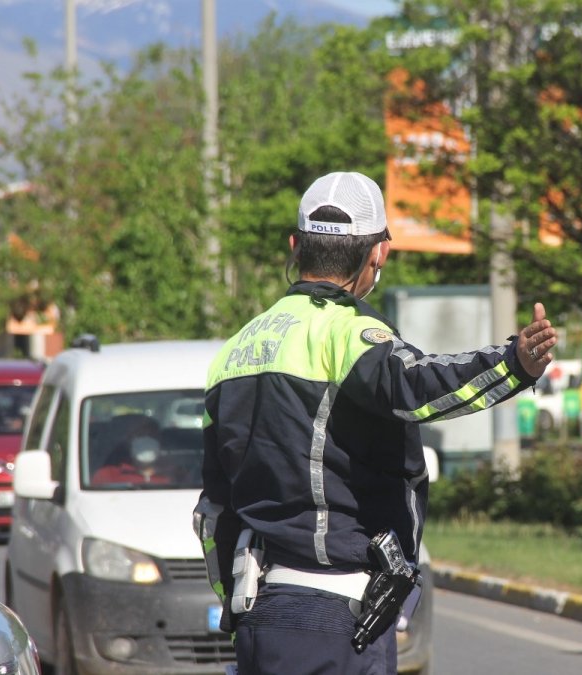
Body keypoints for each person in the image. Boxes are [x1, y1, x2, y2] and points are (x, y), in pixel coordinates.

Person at [195, 171, 556, 675]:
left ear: (295, 246)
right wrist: (514, 363)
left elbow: (213, 512)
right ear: (378, 254)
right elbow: (418, 388)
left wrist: (237, 603)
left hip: (260, 617)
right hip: (340, 618)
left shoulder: (234, 351)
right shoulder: (349, 333)